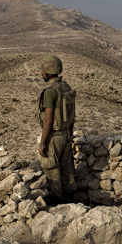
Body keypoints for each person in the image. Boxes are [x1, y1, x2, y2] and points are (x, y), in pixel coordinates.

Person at [35, 55, 76, 203]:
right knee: (66, 167)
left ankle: (56, 202)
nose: (41, 73)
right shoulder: (66, 87)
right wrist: (69, 134)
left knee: (51, 168)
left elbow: (48, 120)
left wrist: (43, 143)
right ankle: (70, 198)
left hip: (54, 136)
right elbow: (72, 115)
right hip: (65, 133)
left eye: (43, 70)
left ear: (48, 71)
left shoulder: (50, 91)